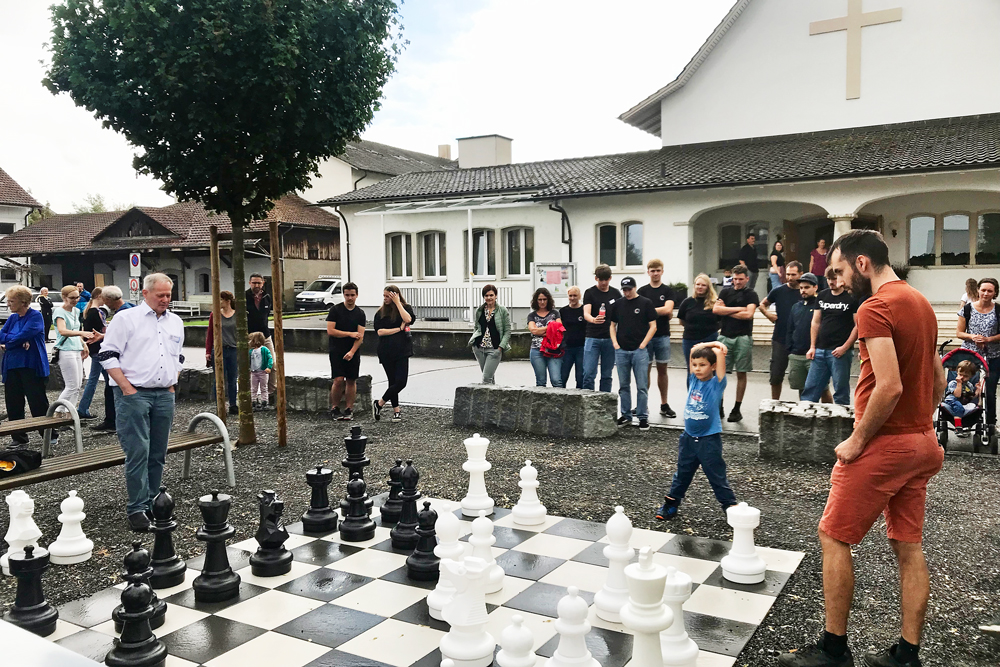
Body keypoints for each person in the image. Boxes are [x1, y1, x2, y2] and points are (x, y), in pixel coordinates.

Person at [780, 230, 945, 667]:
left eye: (838, 271)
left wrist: (857, 439)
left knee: (833, 536)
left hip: (884, 446)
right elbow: (938, 379)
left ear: (863, 263)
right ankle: (906, 656)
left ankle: (833, 650)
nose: (836, 280)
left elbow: (889, 387)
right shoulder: (921, 303)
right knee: (908, 547)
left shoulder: (875, 306)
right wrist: (919, 425)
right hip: (923, 443)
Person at [98, 273, 185, 533]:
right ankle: (136, 508)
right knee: (138, 452)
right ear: (145, 293)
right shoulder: (126, 319)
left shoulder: (176, 322)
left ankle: (154, 502)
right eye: (160, 295)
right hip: (134, 393)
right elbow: (107, 354)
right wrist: (127, 388)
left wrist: (172, 383)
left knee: (158, 452)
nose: (165, 299)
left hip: (164, 394)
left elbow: (178, 356)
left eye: (168, 295)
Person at [655, 341, 736, 520]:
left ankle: (731, 507)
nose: (697, 369)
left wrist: (717, 345)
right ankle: (671, 505)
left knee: (716, 475)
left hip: (708, 440)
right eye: (695, 365)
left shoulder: (717, 383)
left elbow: (719, 354)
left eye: (703, 365)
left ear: (713, 366)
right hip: (688, 438)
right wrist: (710, 344)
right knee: (682, 473)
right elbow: (693, 350)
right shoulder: (693, 380)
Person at [0, 286, 51, 447]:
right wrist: (17, 340)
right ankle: (19, 437)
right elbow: (2, 334)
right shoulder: (12, 318)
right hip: (12, 365)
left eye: (11, 301)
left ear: (23, 302)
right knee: (13, 403)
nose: (8, 304)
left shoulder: (35, 316)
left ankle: (48, 434)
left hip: (31, 364)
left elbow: (25, 333)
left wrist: (11, 342)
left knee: (37, 402)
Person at [802, 267, 859, 405]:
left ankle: (841, 416)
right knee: (810, 389)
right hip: (820, 350)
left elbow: (858, 325)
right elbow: (815, 322)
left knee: (840, 390)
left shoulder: (851, 297)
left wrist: (845, 347)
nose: (831, 282)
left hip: (839, 352)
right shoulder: (822, 295)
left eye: (834, 278)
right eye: (828, 279)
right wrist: (812, 346)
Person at [610, 277, 657, 429]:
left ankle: (642, 416)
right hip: (622, 350)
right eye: (624, 290)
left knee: (642, 385)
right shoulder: (618, 304)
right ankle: (626, 415)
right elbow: (612, 325)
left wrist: (643, 344)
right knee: (624, 385)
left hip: (639, 350)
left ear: (635, 288)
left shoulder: (645, 303)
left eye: (629, 289)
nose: (627, 292)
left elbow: (653, 326)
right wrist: (615, 343)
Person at [713, 265, 759, 422]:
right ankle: (719, 406)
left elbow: (749, 314)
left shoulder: (751, 294)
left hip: (743, 337)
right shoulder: (725, 292)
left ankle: (737, 408)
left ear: (747, 279)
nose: (737, 282)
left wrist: (727, 310)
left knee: (741, 372)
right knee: (719, 374)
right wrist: (739, 309)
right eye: (735, 279)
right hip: (725, 337)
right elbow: (716, 310)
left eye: (740, 279)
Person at [956, 277, 1000, 429]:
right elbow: (959, 333)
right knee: (967, 389)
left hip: (993, 356)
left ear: (995, 293)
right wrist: (973, 337)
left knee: (990, 391)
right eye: (983, 290)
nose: (986, 293)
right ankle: (966, 422)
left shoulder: (998, 310)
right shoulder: (967, 309)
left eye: (990, 291)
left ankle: (991, 424)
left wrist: (988, 339)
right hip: (970, 356)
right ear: (978, 291)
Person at [759, 261, 804, 401]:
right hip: (780, 338)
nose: (790, 278)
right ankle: (774, 403)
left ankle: (803, 406)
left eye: (793, 275)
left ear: (801, 274)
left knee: (802, 377)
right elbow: (762, 304)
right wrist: (769, 315)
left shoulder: (805, 292)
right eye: (788, 274)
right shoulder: (778, 291)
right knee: (776, 375)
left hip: (800, 340)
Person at [90, 285, 133, 433]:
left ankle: (114, 422)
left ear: (108, 299)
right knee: (110, 389)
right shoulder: (130, 308)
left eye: (104, 299)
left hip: (121, 359)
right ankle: (112, 421)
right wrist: (104, 335)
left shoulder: (123, 314)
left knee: (113, 390)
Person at [638, 259, 677, 418]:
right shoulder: (642, 291)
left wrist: (647, 311)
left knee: (662, 371)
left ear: (662, 271)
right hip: (645, 337)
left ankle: (664, 404)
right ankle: (643, 405)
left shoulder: (668, 291)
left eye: (658, 270)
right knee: (644, 371)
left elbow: (668, 309)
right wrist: (660, 311)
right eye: (652, 271)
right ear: (648, 272)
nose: (655, 273)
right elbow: (637, 310)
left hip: (662, 335)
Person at [373, 285, 416, 422]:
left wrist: (398, 303)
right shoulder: (380, 313)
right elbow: (380, 332)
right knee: (392, 381)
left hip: (402, 350)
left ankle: (379, 403)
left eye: (388, 296)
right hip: (386, 351)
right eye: (384, 296)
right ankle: (396, 410)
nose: (385, 298)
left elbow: (408, 319)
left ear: (395, 295)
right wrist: (398, 329)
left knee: (401, 382)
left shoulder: (405, 308)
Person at [326, 282, 365, 421]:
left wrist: (352, 351)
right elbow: (331, 331)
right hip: (336, 350)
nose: (350, 298)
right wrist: (349, 334)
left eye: (352, 295)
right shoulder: (335, 310)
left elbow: (360, 336)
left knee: (351, 380)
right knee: (338, 380)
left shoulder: (360, 313)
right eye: (347, 295)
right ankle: (335, 407)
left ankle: (349, 409)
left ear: (357, 295)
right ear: (343, 295)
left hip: (353, 351)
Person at [53, 285, 93, 416]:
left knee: (78, 385)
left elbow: (76, 330)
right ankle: (58, 411)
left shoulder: (76, 311)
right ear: (64, 297)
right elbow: (62, 331)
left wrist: (83, 344)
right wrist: (82, 333)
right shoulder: (59, 312)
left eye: (77, 297)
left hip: (76, 348)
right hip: (66, 350)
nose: (75, 300)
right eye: (72, 298)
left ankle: (70, 413)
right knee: (71, 385)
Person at [583, 264, 623, 392]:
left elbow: (621, 314)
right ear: (596, 278)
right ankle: (588, 399)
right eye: (601, 280)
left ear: (610, 278)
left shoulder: (615, 293)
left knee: (607, 374)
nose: (604, 283)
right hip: (592, 337)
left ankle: (605, 400)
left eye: (606, 279)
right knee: (589, 373)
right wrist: (593, 319)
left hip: (609, 338)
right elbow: (586, 313)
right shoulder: (590, 293)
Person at [677, 274, 721, 388]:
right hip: (690, 340)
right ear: (694, 285)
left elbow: (721, 321)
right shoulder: (687, 302)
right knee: (692, 371)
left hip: (709, 339)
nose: (700, 287)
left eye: (703, 285)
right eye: (698, 284)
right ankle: (692, 396)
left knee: (710, 369)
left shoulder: (715, 302)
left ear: (708, 287)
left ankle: (711, 396)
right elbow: (682, 320)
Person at [784, 273, 823, 400]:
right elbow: (790, 329)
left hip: (814, 354)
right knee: (801, 387)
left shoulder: (820, 306)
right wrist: (790, 348)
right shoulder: (796, 307)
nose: (803, 290)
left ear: (815, 287)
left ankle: (827, 410)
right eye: (801, 288)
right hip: (796, 353)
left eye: (806, 287)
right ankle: (803, 409)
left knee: (822, 388)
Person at [469, 284, 511, 385]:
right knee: (490, 378)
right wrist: (474, 344)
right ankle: (493, 395)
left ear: (496, 296)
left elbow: (507, 331)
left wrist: (500, 348)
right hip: (479, 348)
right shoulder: (480, 310)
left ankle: (486, 396)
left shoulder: (502, 310)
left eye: (491, 295)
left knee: (486, 379)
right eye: (486, 295)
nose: (489, 298)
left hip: (494, 349)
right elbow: (477, 327)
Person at [77, 287, 107, 420]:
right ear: (99, 296)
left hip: (95, 349)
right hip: (98, 349)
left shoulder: (90, 311)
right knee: (94, 379)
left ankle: (83, 408)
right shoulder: (95, 312)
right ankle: (82, 408)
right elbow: (95, 331)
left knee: (107, 378)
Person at [206, 290, 238, 414]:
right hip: (219, 350)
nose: (218, 302)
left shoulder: (237, 315)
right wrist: (208, 351)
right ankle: (219, 405)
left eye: (220, 299)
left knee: (232, 378)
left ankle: (233, 404)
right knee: (218, 379)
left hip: (233, 349)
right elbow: (210, 334)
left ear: (227, 301)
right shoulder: (214, 315)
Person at [246, 273, 277, 400]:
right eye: (254, 283)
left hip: (265, 335)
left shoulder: (267, 297)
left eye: (259, 283)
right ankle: (250, 395)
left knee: (272, 364)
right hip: (249, 336)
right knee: (249, 366)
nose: (256, 285)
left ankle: (270, 394)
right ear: (249, 283)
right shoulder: (244, 297)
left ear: (263, 283)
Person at [527, 287, 563, 387]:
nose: (542, 302)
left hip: (553, 350)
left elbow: (559, 329)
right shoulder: (532, 315)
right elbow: (533, 330)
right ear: (536, 301)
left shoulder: (555, 313)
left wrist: (540, 331)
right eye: (540, 299)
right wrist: (551, 328)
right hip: (537, 350)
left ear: (548, 300)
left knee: (556, 380)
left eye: (544, 299)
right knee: (541, 381)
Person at [560, 286, 586, 388]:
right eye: (570, 296)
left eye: (575, 295)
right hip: (567, 347)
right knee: (563, 376)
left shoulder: (584, 310)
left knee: (580, 376)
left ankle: (579, 396)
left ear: (579, 296)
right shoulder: (563, 311)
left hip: (581, 347)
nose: (572, 298)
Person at [248, 331, 274, 411]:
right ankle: (253, 402)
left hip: (263, 372)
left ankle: (264, 402)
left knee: (264, 388)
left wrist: (269, 367)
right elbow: (249, 361)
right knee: (253, 388)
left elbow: (270, 358)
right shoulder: (251, 351)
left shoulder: (264, 350)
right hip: (254, 372)